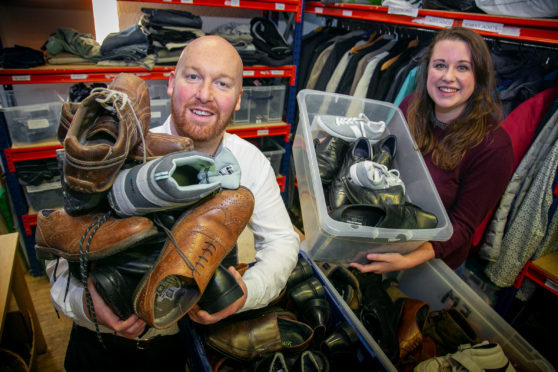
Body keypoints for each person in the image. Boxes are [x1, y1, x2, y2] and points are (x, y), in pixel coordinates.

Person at [46, 35, 300, 371]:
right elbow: (57, 251)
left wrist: (247, 293)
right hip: (101, 342)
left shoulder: (249, 162)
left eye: (222, 83)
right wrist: (86, 304)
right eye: (193, 76)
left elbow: (283, 241)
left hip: (184, 339)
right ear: (170, 83)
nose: (204, 95)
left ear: (238, 99)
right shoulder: (117, 147)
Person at [350, 27, 514, 275]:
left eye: (462, 67)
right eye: (440, 65)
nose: (448, 76)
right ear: (427, 70)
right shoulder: (410, 108)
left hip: (434, 262)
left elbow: (462, 226)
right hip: (391, 235)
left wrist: (408, 260)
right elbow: (385, 166)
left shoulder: (493, 147)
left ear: (478, 76)